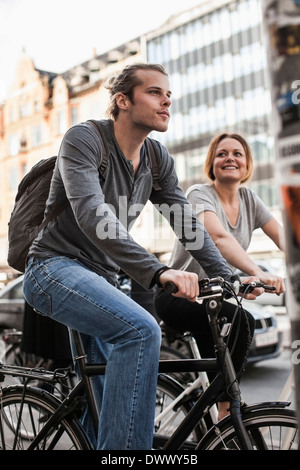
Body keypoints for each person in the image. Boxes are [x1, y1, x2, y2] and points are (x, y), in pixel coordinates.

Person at [22, 64, 262, 450]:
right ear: (123, 100)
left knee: (101, 398)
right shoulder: (84, 139)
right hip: (53, 268)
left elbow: (187, 224)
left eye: (168, 94)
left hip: (100, 280)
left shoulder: (155, 158)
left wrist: (228, 275)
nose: (166, 100)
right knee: (140, 331)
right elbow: (93, 216)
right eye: (154, 92)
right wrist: (160, 271)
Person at [155, 132, 285, 420]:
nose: (230, 158)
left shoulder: (250, 199)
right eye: (222, 153)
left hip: (212, 299)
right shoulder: (199, 194)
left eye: (237, 153)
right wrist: (256, 272)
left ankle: (218, 417)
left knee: (227, 354)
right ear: (211, 162)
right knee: (243, 321)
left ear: (247, 163)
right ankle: (224, 410)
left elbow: (284, 238)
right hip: (178, 295)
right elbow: (217, 237)